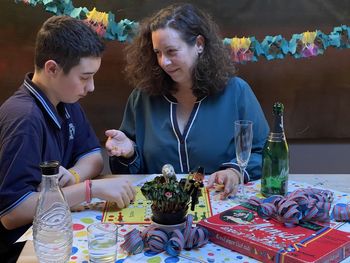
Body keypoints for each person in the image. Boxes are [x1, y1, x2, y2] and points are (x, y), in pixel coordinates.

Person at [0, 16, 135, 262]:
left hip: (57, 229)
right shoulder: (24, 119)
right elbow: (13, 212)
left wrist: (71, 177)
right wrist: (88, 189)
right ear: (52, 68)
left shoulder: (65, 99)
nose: (91, 86)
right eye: (84, 77)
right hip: (26, 248)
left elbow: (93, 158)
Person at [105, 4, 268, 198]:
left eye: (171, 51)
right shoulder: (142, 98)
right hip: (161, 212)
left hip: (220, 204)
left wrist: (234, 171)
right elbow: (129, 174)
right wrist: (129, 153)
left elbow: (264, 151)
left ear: (199, 44)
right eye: (158, 53)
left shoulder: (236, 92)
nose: (163, 61)